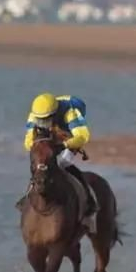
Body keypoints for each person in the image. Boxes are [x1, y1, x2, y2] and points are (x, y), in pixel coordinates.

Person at [24, 92, 97, 233]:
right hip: (49, 140)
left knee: (63, 163)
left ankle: (90, 205)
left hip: (69, 136)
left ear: (54, 114)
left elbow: (83, 136)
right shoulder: (34, 115)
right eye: (40, 120)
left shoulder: (70, 113)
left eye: (46, 120)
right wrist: (40, 146)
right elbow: (28, 142)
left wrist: (64, 145)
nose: (42, 124)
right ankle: (27, 196)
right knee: (40, 163)